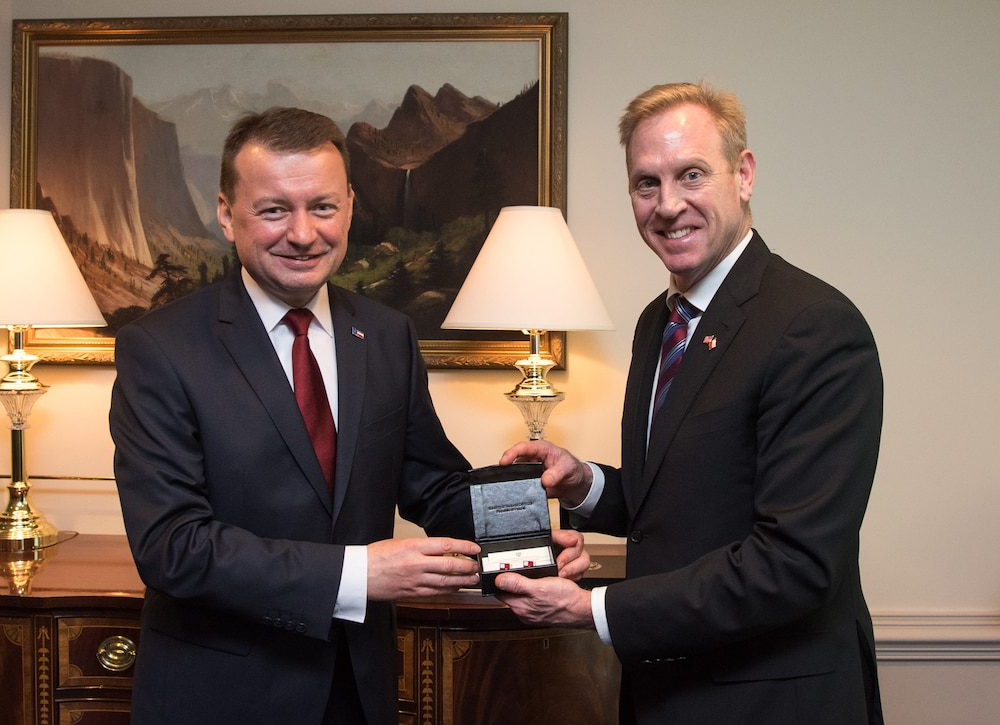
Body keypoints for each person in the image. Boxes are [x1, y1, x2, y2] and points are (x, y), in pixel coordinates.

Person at [109, 106, 589, 724]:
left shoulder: (387, 335)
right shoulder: (161, 348)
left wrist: (524, 544)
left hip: (357, 693)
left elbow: (431, 484)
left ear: (351, 206)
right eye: (274, 209)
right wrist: (358, 572)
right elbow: (173, 546)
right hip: (221, 695)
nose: (304, 234)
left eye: (323, 207)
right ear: (228, 214)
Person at [493, 82, 884, 724]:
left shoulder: (814, 326)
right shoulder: (660, 322)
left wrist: (593, 608)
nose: (668, 206)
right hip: (667, 695)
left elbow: (795, 563)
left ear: (745, 174)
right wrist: (586, 484)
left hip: (774, 702)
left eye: (691, 175)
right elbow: (687, 505)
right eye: (646, 184)